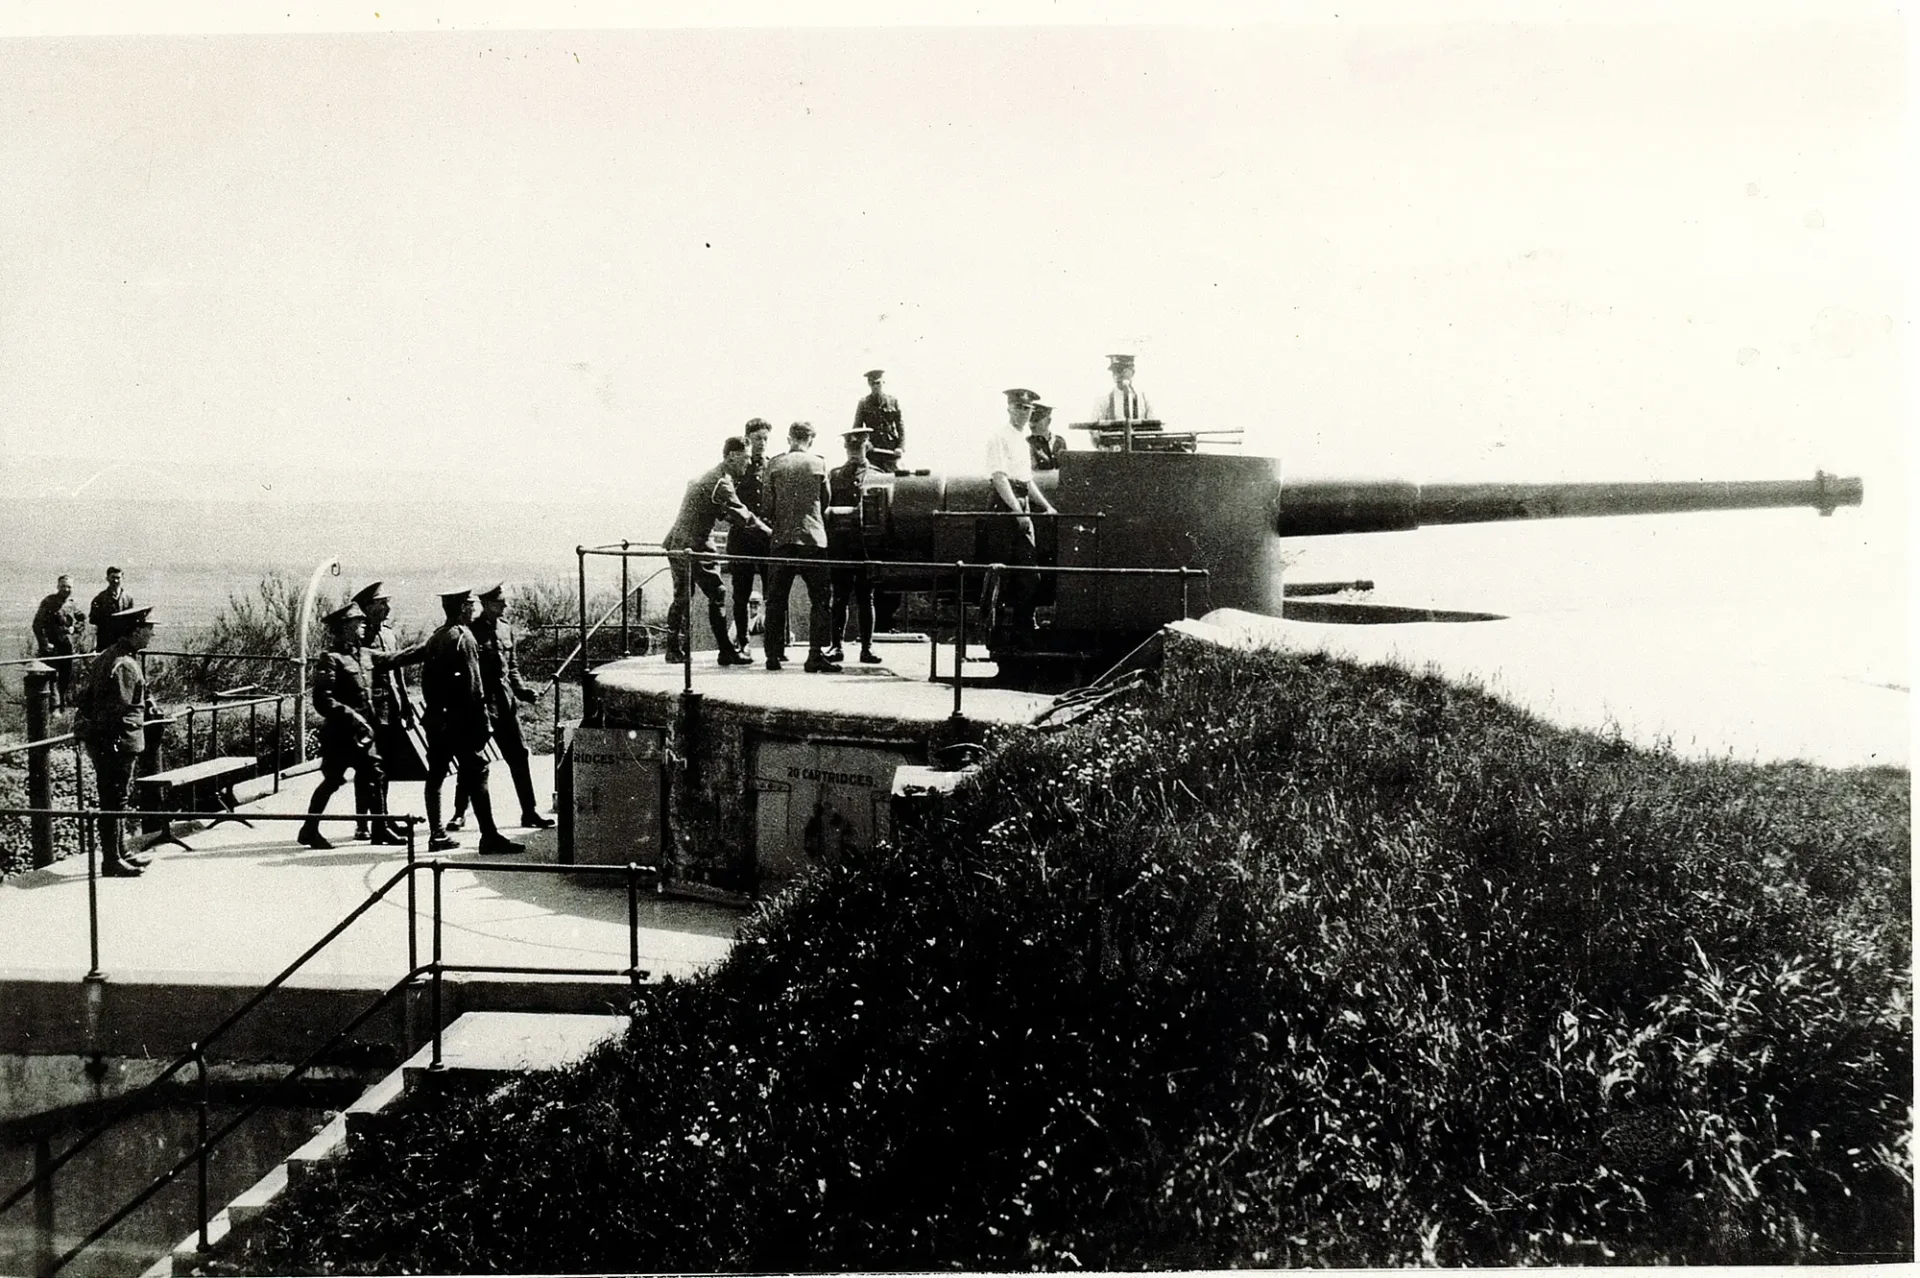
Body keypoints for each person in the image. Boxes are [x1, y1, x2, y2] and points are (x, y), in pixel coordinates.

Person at [405, 587, 519, 855]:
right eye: (470, 604)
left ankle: (437, 834)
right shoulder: (464, 638)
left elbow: (427, 682)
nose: (474, 609)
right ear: (462, 609)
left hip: (437, 720)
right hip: (461, 721)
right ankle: (489, 836)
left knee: (435, 776)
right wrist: (483, 723)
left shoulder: (438, 637)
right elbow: (474, 687)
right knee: (479, 771)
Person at [449, 584, 552, 832]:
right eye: (499, 603)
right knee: (471, 761)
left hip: (505, 705)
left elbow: (512, 668)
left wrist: (522, 691)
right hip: (481, 706)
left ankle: (529, 811)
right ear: (486, 605)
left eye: (504, 602)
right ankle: (459, 813)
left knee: (519, 756)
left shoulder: (506, 629)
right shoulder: (470, 631)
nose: (504, 606)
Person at [662, 435, 770, 666]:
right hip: (695, 544)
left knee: (682, 596)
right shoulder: (722, 482)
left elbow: (714, 510)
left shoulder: (708, 476)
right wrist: (771, 535)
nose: (749, 463)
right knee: (718, 593)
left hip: (677, 542)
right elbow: (744, 517)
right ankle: (726, 651)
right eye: (746, 458)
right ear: (732, 456)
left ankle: (673, 649)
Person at [72, 605, 158, 877]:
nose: (151, 635)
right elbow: (115, 710)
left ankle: (121, 851)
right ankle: (111, 860)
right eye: (147, 630)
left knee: (116, 798)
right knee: (114, 799)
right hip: (117, 742)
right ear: (134, 632)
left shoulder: (110, 656)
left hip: (108, 742)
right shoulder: (126, 665)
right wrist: (114, 742)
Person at [296, 603, 390, 850]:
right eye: (358, 623)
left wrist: (430, 647)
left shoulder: (364, 654)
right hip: (341, 735)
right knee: (333, 780)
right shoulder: (331, 659)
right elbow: (323, 701)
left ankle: (380, 829)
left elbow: (395, 658)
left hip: (362, 737)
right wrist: (354, 718)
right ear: (345, 628)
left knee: (375, 773)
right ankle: (309, 829)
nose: (364, 626)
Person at [764, 421, 838, 673]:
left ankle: (772, 656)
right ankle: (815, 655)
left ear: (788, 439)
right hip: (812, 540)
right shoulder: (818, 463)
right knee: (820, 600)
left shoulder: (774, 464)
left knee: (775, 600)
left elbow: (766, 506)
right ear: (811, 440)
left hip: (782, 540)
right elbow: (827, 500)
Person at [350, 581, 421, 842]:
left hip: (390, 709)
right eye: (381, 604)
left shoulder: (389, 635)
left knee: (385, 766)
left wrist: (406, 707)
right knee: (366, 767)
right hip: (369, 710)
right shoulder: (362, 636)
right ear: (368, 608)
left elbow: (397, 674)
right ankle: (362, 823)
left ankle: (383, 818)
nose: (387, 608)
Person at [987, 388, 1058, 644]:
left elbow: (1026, 480)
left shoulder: (1021, 439)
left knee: (1029, 573)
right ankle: (1002, 632)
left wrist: (1046, 506)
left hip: (1021, 502)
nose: (1024, 413)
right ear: (1009, 409)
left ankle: (1023, 628)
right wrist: (1017, 512)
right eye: (1019, 408)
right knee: (1004, 573)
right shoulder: (999, 437)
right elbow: (999, 477)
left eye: (1028, 409)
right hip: (1005, 506)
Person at [825, 427, 882, 665]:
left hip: (866, 546)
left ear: (866, 447)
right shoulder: (835, 475)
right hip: (840, 545)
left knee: (866, 598)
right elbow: (826, 508)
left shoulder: (878, 474)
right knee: (839, 597)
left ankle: (866, 648)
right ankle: (836, 646)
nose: (854, 453)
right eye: (850, 448)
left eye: (858, 448)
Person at [726, 418, 776, 653]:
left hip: (767, 539)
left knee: (773, 592)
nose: (763, 443)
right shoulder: (739, 468)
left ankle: (774, 645)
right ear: (748, 439)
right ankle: (742, 643)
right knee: (741, 593)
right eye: (758, 439)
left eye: (766, 438)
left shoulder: (773, 467)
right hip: (742, 539)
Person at [31, 575, 85, 706]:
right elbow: (37, 624)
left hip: (67, 647)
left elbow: (82, 620)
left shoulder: (72, 603)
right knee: (52, 678)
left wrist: (75, 629)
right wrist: (44, 644)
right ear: (57, 587)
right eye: (63, 586)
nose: (66, 589)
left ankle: (63, 707)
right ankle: (52, 710)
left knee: (66, 677)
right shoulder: (49, 602)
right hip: (52, 648)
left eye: (69, 587)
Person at [852, 369, 905, 472]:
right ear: (869, 385)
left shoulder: (893, 401)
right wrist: (866, 443)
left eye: (878, 383)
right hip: (872, 452)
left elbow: (900, 427)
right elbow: (857, 430)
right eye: (872, 384)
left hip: (891, 451)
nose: (875, 386)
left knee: (896, 480)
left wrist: (900, 447)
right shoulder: (863, 403)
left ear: (883, 382)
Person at [88, 567, 133, 649]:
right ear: (107, 579)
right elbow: (92, 619)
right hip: (105, 642)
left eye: (118, 578)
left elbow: (132, 621)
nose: (115, 581)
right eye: (113, 577)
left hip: (123, 642)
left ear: (122, 578)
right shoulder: (100, 598)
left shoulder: (128, 599)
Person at [1026, 402, 1068, 471]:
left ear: (1048, 421)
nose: (1031, 425)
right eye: (1030, 421)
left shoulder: (1059, 442)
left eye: (1036, 421)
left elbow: (1066, 469)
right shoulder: (1027, 443)